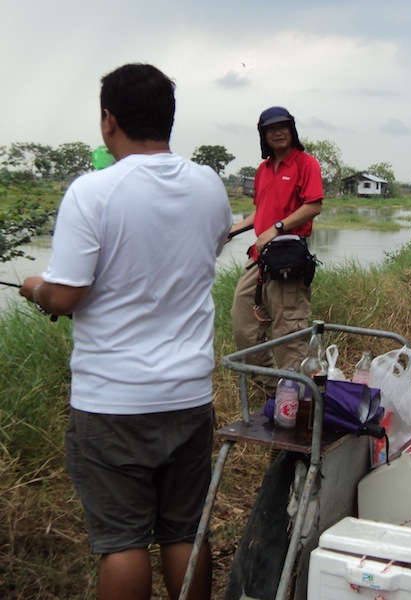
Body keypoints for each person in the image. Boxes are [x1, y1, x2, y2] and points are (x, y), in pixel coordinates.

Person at [19, 63, 232, 600]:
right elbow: (201, 255)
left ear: (108, 119)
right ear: (169, 118)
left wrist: (34, 287)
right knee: (185, 528)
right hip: (187, 393)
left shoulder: (93, 192)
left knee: (122, 542)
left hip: (112, 401)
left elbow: (66, 296)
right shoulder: (209, 186)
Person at [228, 107, 323, 396]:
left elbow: (313, 205)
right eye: (271, 129)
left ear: (292, 130)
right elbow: (261, 213)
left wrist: (277, 228)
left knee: (289, 335)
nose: (278, 132)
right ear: (263, 135)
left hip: (288, 258)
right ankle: (275, 392)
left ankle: (293, 404)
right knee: (243, 329)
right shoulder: (263, 169)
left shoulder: (306, 163)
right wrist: (230, 231)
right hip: (259, 258)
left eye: (283, 126)